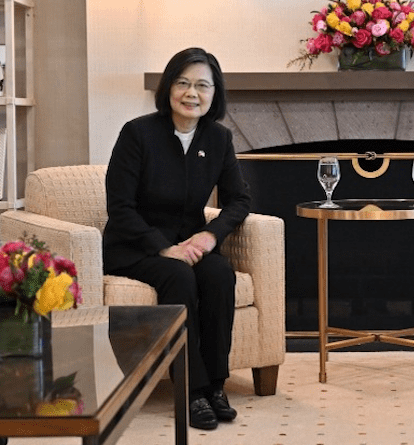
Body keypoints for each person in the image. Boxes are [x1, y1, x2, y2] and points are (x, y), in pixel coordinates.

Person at [103, 47, 251, 431]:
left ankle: (217, 384)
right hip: (135, 246)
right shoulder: (138, 133)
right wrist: (162, 247)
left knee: (220, 275)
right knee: (179, 277)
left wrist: (209, 236)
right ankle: (192, 389)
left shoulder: (218, 138)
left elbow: (239, 200)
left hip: (189, 245)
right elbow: (119, 207)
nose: (192, 93)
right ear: (169, 87)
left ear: (214, 93)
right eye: (183, 83)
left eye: (202, 85)